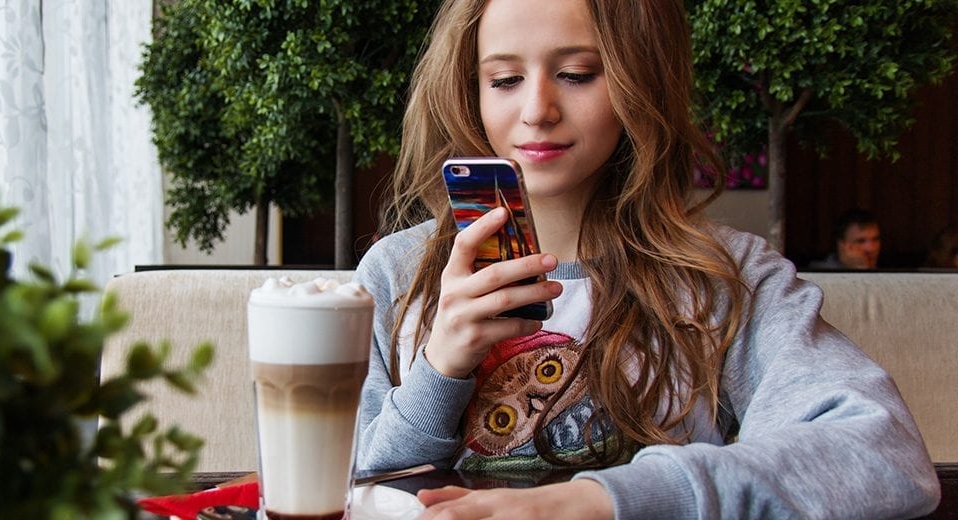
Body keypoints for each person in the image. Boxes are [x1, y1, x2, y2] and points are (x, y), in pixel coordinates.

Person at [352, 0, 940, 518]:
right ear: (468, 89)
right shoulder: (397, 274)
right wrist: (439, 371)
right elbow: (334, 480)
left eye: (576, 74)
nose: (537, 109)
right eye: (504, 79)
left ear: (643, 78)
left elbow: (883, 451)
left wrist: (602, 500)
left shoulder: (724, 279)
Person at [808, 208, 881, 270]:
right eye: (860, 241)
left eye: (875, 239)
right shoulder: (819, 272)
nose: (870, 249)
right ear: (841, 245)